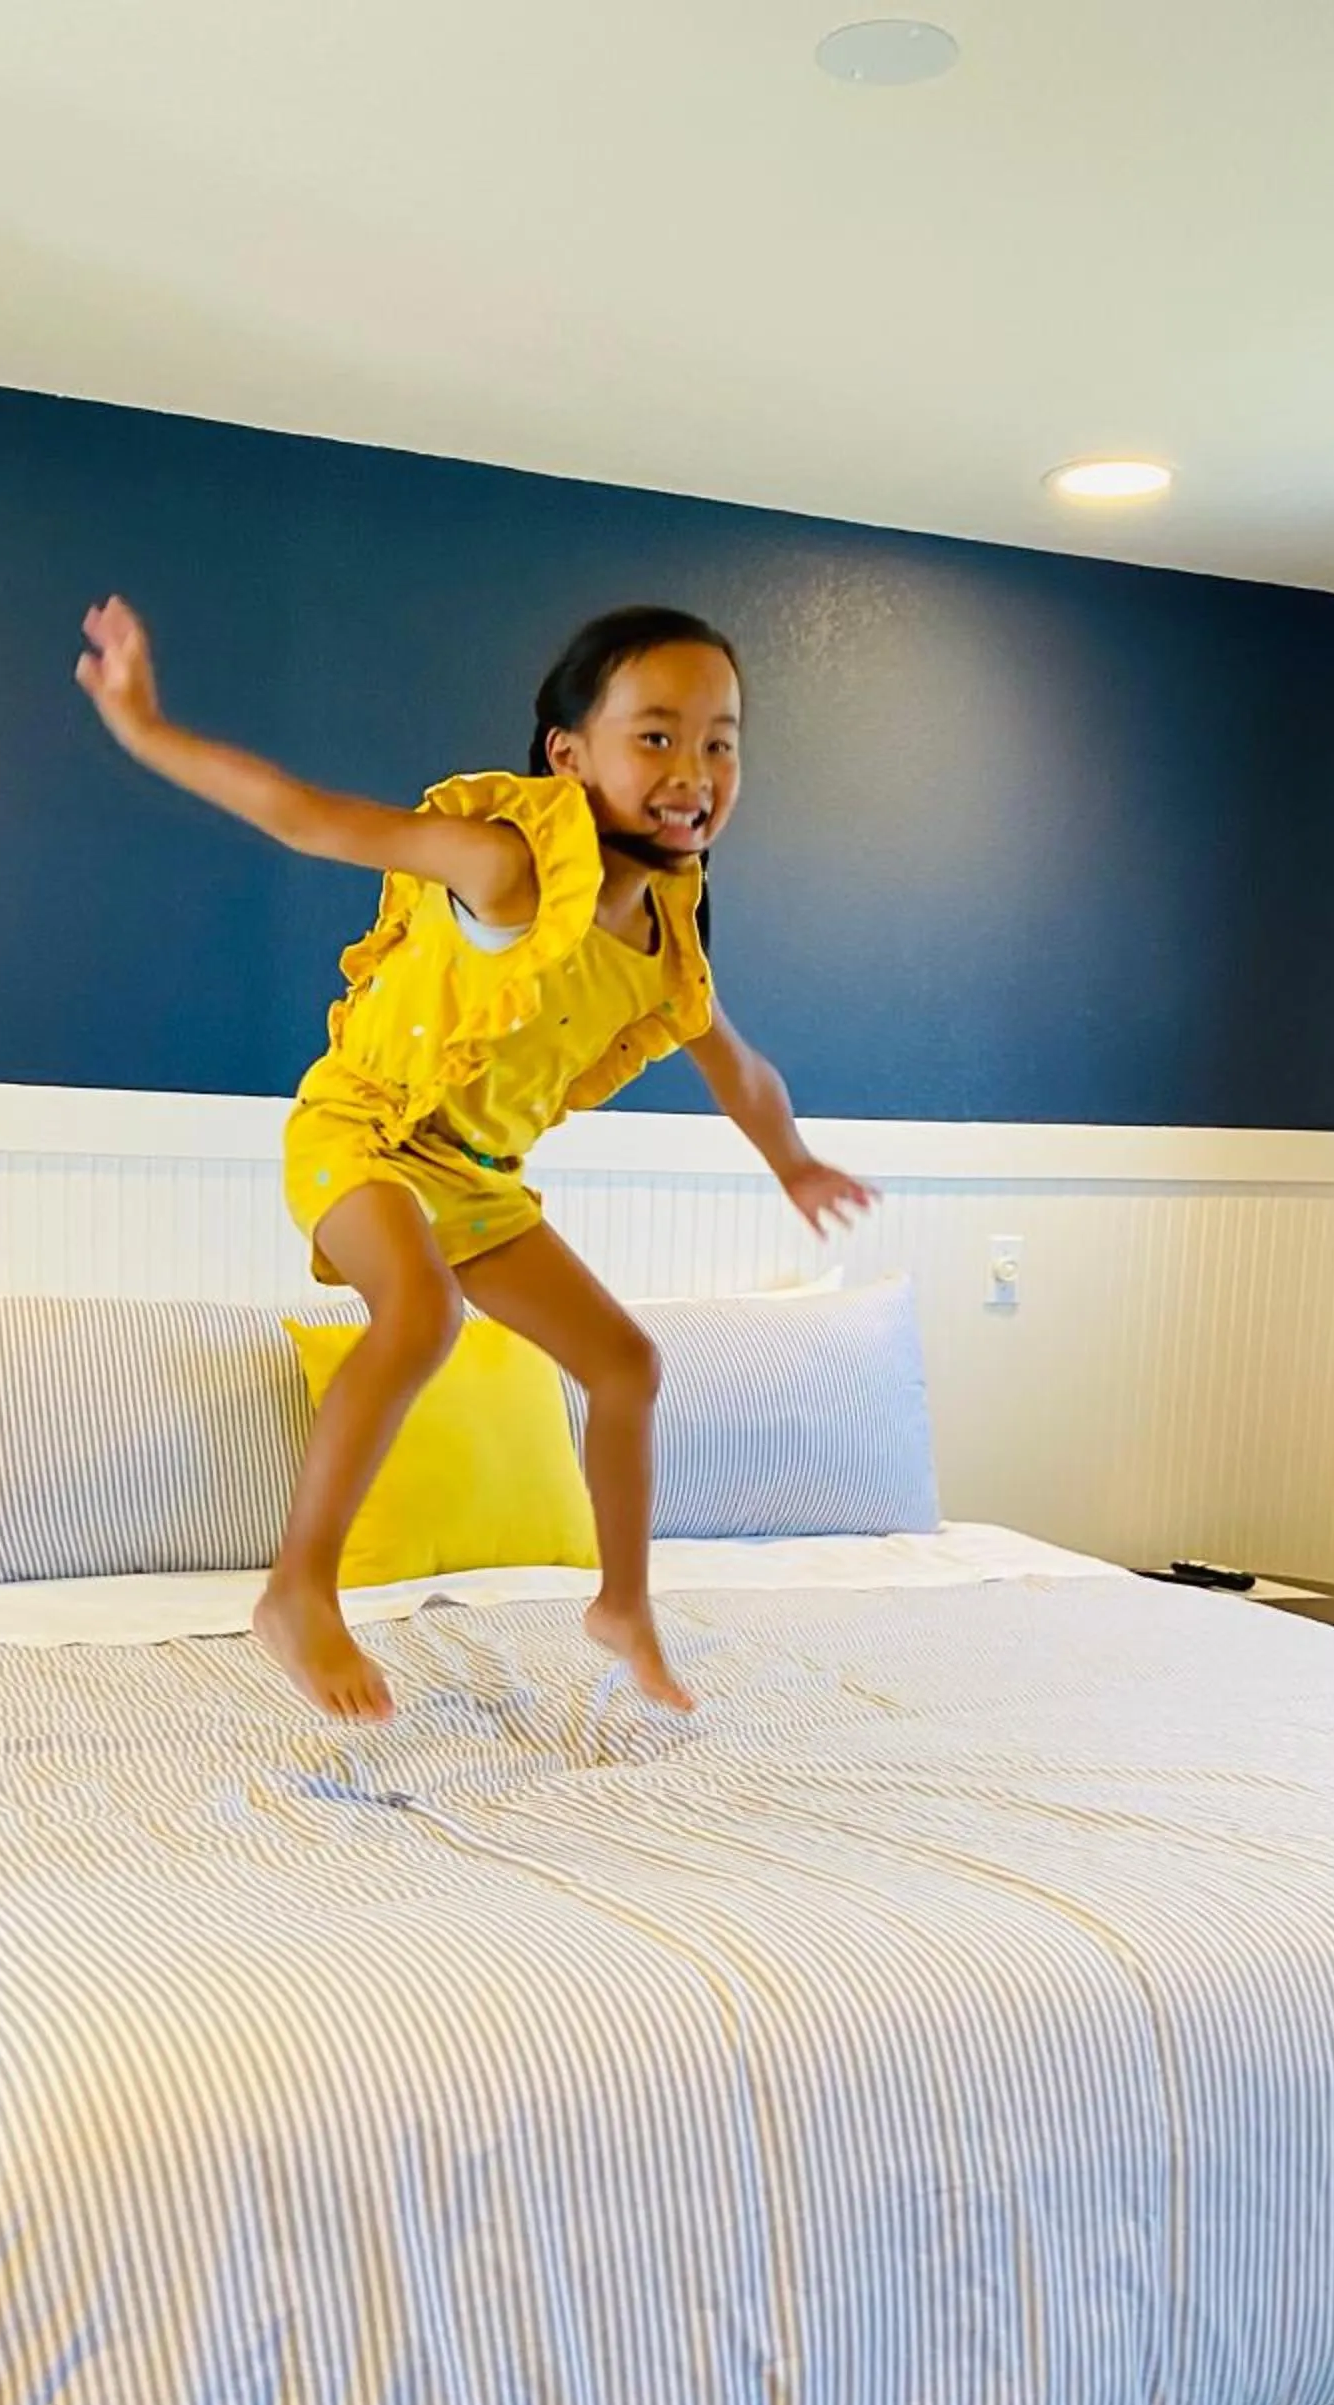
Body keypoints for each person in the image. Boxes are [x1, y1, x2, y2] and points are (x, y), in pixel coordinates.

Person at [76, 597, 873, 1722]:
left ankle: (623, 1605)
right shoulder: (507, 865)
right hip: (363, 1126)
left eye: (720, 743)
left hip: (474, 1174)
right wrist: (146, 728)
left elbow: (738, 1069)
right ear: (568, 754)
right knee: (420, 1312)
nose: (693, 772)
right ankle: (298, 1590)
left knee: (627, 1366)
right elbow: (311, 819)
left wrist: (793, 1164)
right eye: (655, 736)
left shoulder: (666, 938)